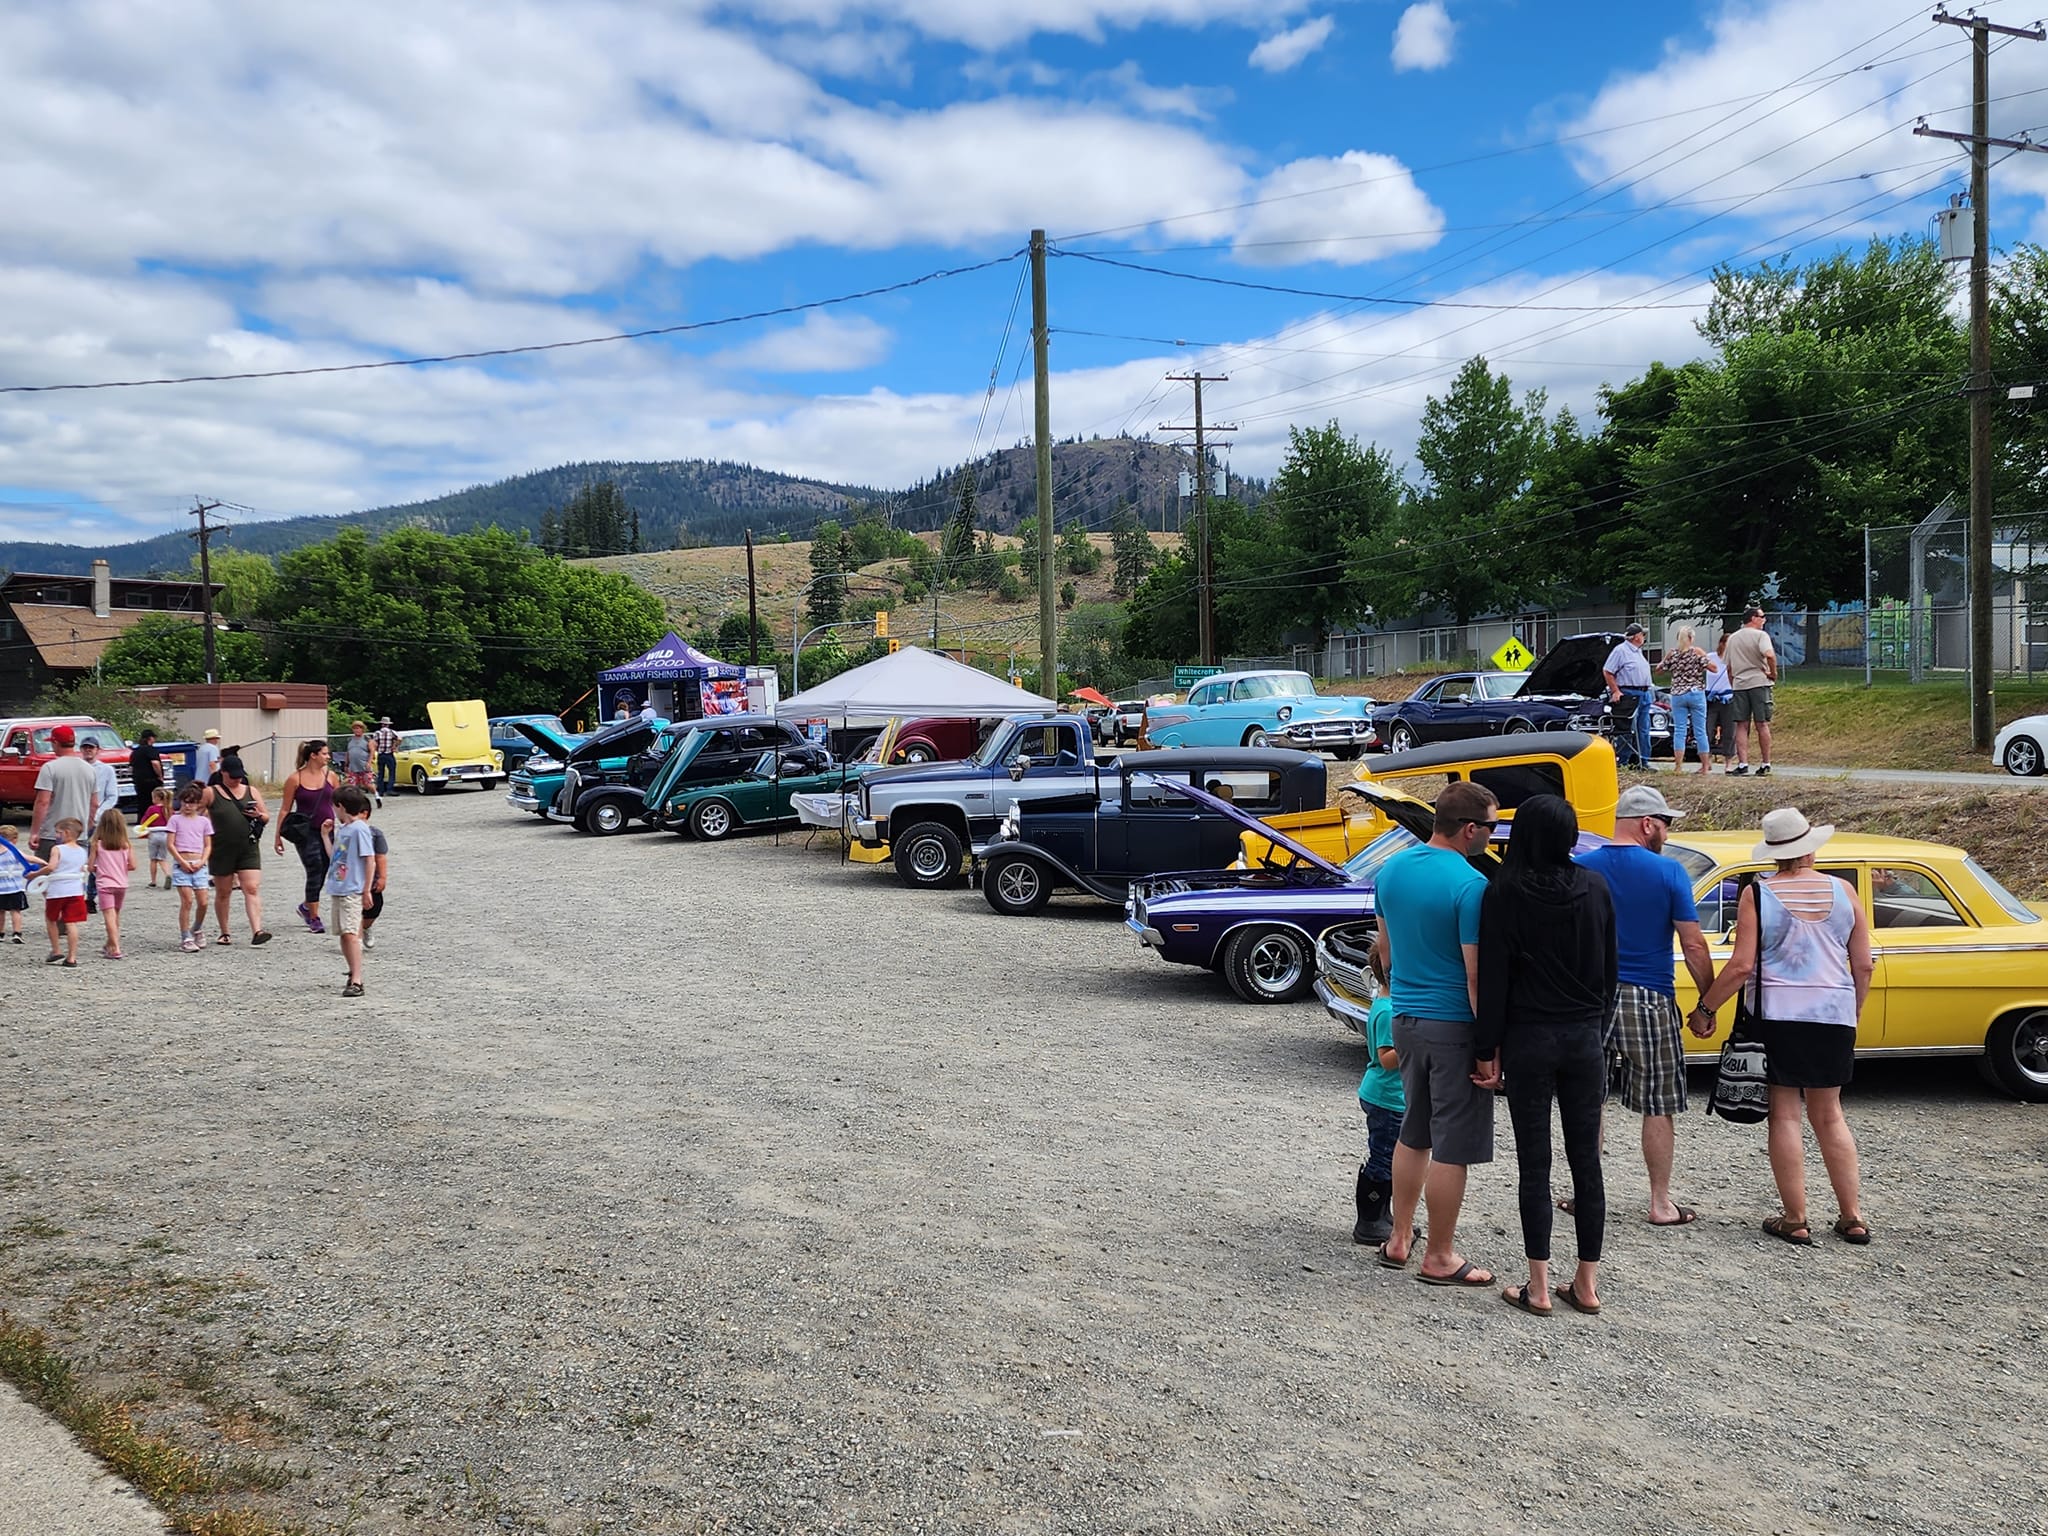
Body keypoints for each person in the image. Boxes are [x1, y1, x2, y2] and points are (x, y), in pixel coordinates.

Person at [1694, 808, 1875, 1246]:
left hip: (1778, 1014)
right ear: (1810, 848)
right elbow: (1864, 964)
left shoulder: (1758, 894)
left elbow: (1740, 966)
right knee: (1830, 1115)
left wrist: (1705, 1008)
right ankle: (1852, 1216)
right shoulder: (1845, 891)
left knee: (1786, 1114)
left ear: (1773, 853)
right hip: (1833, 1012)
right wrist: (1851, 1013)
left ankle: (1795, 1217)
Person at [1475, 794, 1616, 1317]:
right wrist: (1596, 1030)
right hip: (1583, 1035)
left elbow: (1493, 980)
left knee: (1535, 1164)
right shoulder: (1597, 888)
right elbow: (1609, 970)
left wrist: (1486, 1049)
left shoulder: (1504, 891)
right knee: (1587, 1162)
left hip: (1529, 1036)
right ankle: (1587, 1283)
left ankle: (1537, 1285)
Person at [1372, 781, 1498, 1289]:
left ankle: (1400, 1237)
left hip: (1405, 1017)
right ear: (1470, 829)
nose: (1492, 835)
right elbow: (1474, 975)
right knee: (1454, 1143)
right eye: (1490, 826)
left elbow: (1385, 951)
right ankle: (1440, 1255)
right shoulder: (1471, 885)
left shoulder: (1392, 869)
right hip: (1452, 1025)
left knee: (1414, 1130)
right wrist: (1488, 1047)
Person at [1576, 784, 1718, 1227]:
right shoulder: (1669, 873)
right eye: (1666, 825)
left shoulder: (1582, 868)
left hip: (1590, 996)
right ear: (1647, 824)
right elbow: (1693, 944)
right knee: (1658, 1102)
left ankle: (1587, 1197)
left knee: (1589, 1100)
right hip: (1650, 996)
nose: (1667, 834)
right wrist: (1707, 1005)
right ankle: (1659, 1202)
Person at [1352, 990, 1404, 1246]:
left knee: (1393, 1157)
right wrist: (1416, 1042)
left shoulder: (1388, 1004)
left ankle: (1384, 1213)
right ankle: (1369, 1221)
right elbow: (1386, 1059)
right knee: (1382, 1157)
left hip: (1393, 1097)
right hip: (1386, 1098)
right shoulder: (1387, 1011)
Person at [203, 755, 272, 945]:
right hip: (221, 849)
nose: (237, 779)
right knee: (224, 892)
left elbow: (266, 817)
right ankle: (225, 932)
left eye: (240, 776)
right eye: (233, 776)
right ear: (223, 773)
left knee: (251, 887)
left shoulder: (252, 791)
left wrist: (258, 815)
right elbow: (196, 812)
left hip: (248, 847)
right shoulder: (211, 792)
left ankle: (257, 930)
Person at [275, 739, 339, 934]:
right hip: (306, 832)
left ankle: (306, 906)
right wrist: (277, 836)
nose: (328, 757)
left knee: (327, 868)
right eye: (325, 753)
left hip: (328, 830)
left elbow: (339, 802)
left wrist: (345, 823)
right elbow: (285, 809)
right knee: (314, 867)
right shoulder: (295, 779)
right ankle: (314, 917)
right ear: (313, 755)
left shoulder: (332, 776)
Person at [323, 786, 376, 997]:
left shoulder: (359, 829)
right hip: (339, 887)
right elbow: (335, 859)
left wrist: (366, 890)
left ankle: (357, 979)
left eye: (334, 806)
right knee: (344, 934)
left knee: (351, 934)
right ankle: (352, 971)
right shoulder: (343, 830)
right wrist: (325, 836)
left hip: (353, 889)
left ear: (341, 806)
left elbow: (369, 859)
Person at [1724, 606, 1778, 776]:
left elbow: (1729, 667)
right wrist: (1773, 673)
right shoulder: (1761, 635)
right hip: (1759, 681)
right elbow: (1769, 654)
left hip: (1740, 683)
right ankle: (1765, 763)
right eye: (1762, 617)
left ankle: (1743, 763)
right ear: (1753, 618)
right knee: (1762, 723)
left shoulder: (1732, 638)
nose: (1764, 620)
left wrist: (1733, 683)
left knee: (1741, 724)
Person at [29, 724, 96, 860]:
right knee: (73, 876)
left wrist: (35, 832)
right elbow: (94, 803)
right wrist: (86, 827)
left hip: (52, 834)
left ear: (56, 742)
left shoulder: (49, 768)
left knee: (45, 876)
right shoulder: (89, 769)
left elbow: (43, 802)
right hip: (78, 834)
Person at [1659, 625, 1716, 776]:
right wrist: (1704, 659)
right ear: (1691, 639)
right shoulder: (1696, 652)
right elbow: (1713, 668)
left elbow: (1659, 670)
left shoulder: (1673, 654)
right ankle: (1704, 766)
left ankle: (1678, 766)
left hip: (1678, 694)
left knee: (1679, 731)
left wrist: (1666, 659)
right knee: (1700, 731)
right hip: (1695, 693)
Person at [34, 818, 89, 966]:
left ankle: (56, 949)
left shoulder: (57, 849)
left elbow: (51, 867)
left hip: (57, 890)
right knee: (71, 923)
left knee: (51, 919)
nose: (57, 835)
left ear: (66, 833)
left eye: (58, 832)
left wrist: (35, 874)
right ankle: (72, 957)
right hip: (75, 890)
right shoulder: (82, 851)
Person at [1601, 623, 1655, 770]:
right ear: (1636, 637)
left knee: (1643, 728)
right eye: (1642, 635)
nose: (1644, 637)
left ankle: (1642, 760)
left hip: (1644, 693)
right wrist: (1615, 691)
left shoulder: (1638, 651)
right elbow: (1608, 671)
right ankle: (1623, 760)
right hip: (1629, 693)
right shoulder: (1621, 651)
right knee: (1628, 728)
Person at [168, 782, 214, 951]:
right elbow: (171, 844)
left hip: (199, 864)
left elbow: (208, 845)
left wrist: (202, 861)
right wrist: (181, 861)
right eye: (185, 802)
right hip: (182, 863)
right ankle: (185, 935)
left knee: (203, 901)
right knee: (187, 900)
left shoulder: (204, 821)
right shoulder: (175, 819)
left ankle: (197, 928)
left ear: (198, 804)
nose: (188, 806)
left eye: (192, 802)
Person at [89, 807, 135, 960]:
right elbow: (132, 865)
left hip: (105, 884)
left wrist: (99, 867)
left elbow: (90, 867)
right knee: (116, 915)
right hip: (121, 883)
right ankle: (109, 943)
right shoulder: (125, 845)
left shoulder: (98, 844)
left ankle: (115, 948)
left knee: (109, 915)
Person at [358, 797, 390, 951]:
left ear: (365, 814)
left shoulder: (375, 834)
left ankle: (365, 927)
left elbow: (381, 857)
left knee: (374, 908)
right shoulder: (344, 833)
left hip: (371, 880)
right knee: (352, 911)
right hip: (352, 881)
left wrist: (382, 877)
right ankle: (353, 938)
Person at [1705, 633, 1736, 771]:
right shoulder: (1710, 657)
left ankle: (1729, 762)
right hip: (1711, 698)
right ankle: (1707, 759)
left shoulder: (1734, 660)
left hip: (1728, 699)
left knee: (1730, 731)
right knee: (1707, 729)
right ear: (1722, 643)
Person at [0, 824, 30, 942]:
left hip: (1, 889)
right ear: (14, 839)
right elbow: (29, 858)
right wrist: (45, 864)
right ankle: (17, 933)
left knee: (1, 912)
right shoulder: (14, 852)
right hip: (15, 888)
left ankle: (1, 933)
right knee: (16, 911)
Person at [141, 787, 172, 888]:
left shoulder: (152, 809)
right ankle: (167, 874)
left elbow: (144, 822)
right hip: (165, 835)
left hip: (153, 834)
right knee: (162, 858)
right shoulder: (169, 809)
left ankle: (153, 880)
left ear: (156, 798)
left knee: (153, 859)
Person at [130, 727, 163, 810]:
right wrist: (160, 776)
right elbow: (155, 763)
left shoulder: (135, 752)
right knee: (154, 802)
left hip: (139, 782)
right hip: (151, 781)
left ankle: (142, 820)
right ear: (150, 738)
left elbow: (131, 767)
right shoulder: (151, 750)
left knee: (142, 804)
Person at [342, 721, 376, 797]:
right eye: (354, 728)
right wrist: (346, 764)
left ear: (362, 729)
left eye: (358, 728)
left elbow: (372, 751)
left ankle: (377, 796)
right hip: (353, 766)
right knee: (352, 784)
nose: (356, 730)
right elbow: (348, 752)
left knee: (368, 784)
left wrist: (369, 762)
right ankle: (354, 800)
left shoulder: (367, 739)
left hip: (363, 765)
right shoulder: (350, 740)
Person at [372, 716, 398, 804]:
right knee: (392, 771)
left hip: (381, 754)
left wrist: (377, 749)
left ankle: (381, 790)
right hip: (389, 754)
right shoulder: (392, 732)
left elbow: (374, 742)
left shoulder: (377, 733)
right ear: (388, 725)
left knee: (381, 772)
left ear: (382, 724)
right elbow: (399, 739)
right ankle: (390, 789)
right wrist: (394, 746)